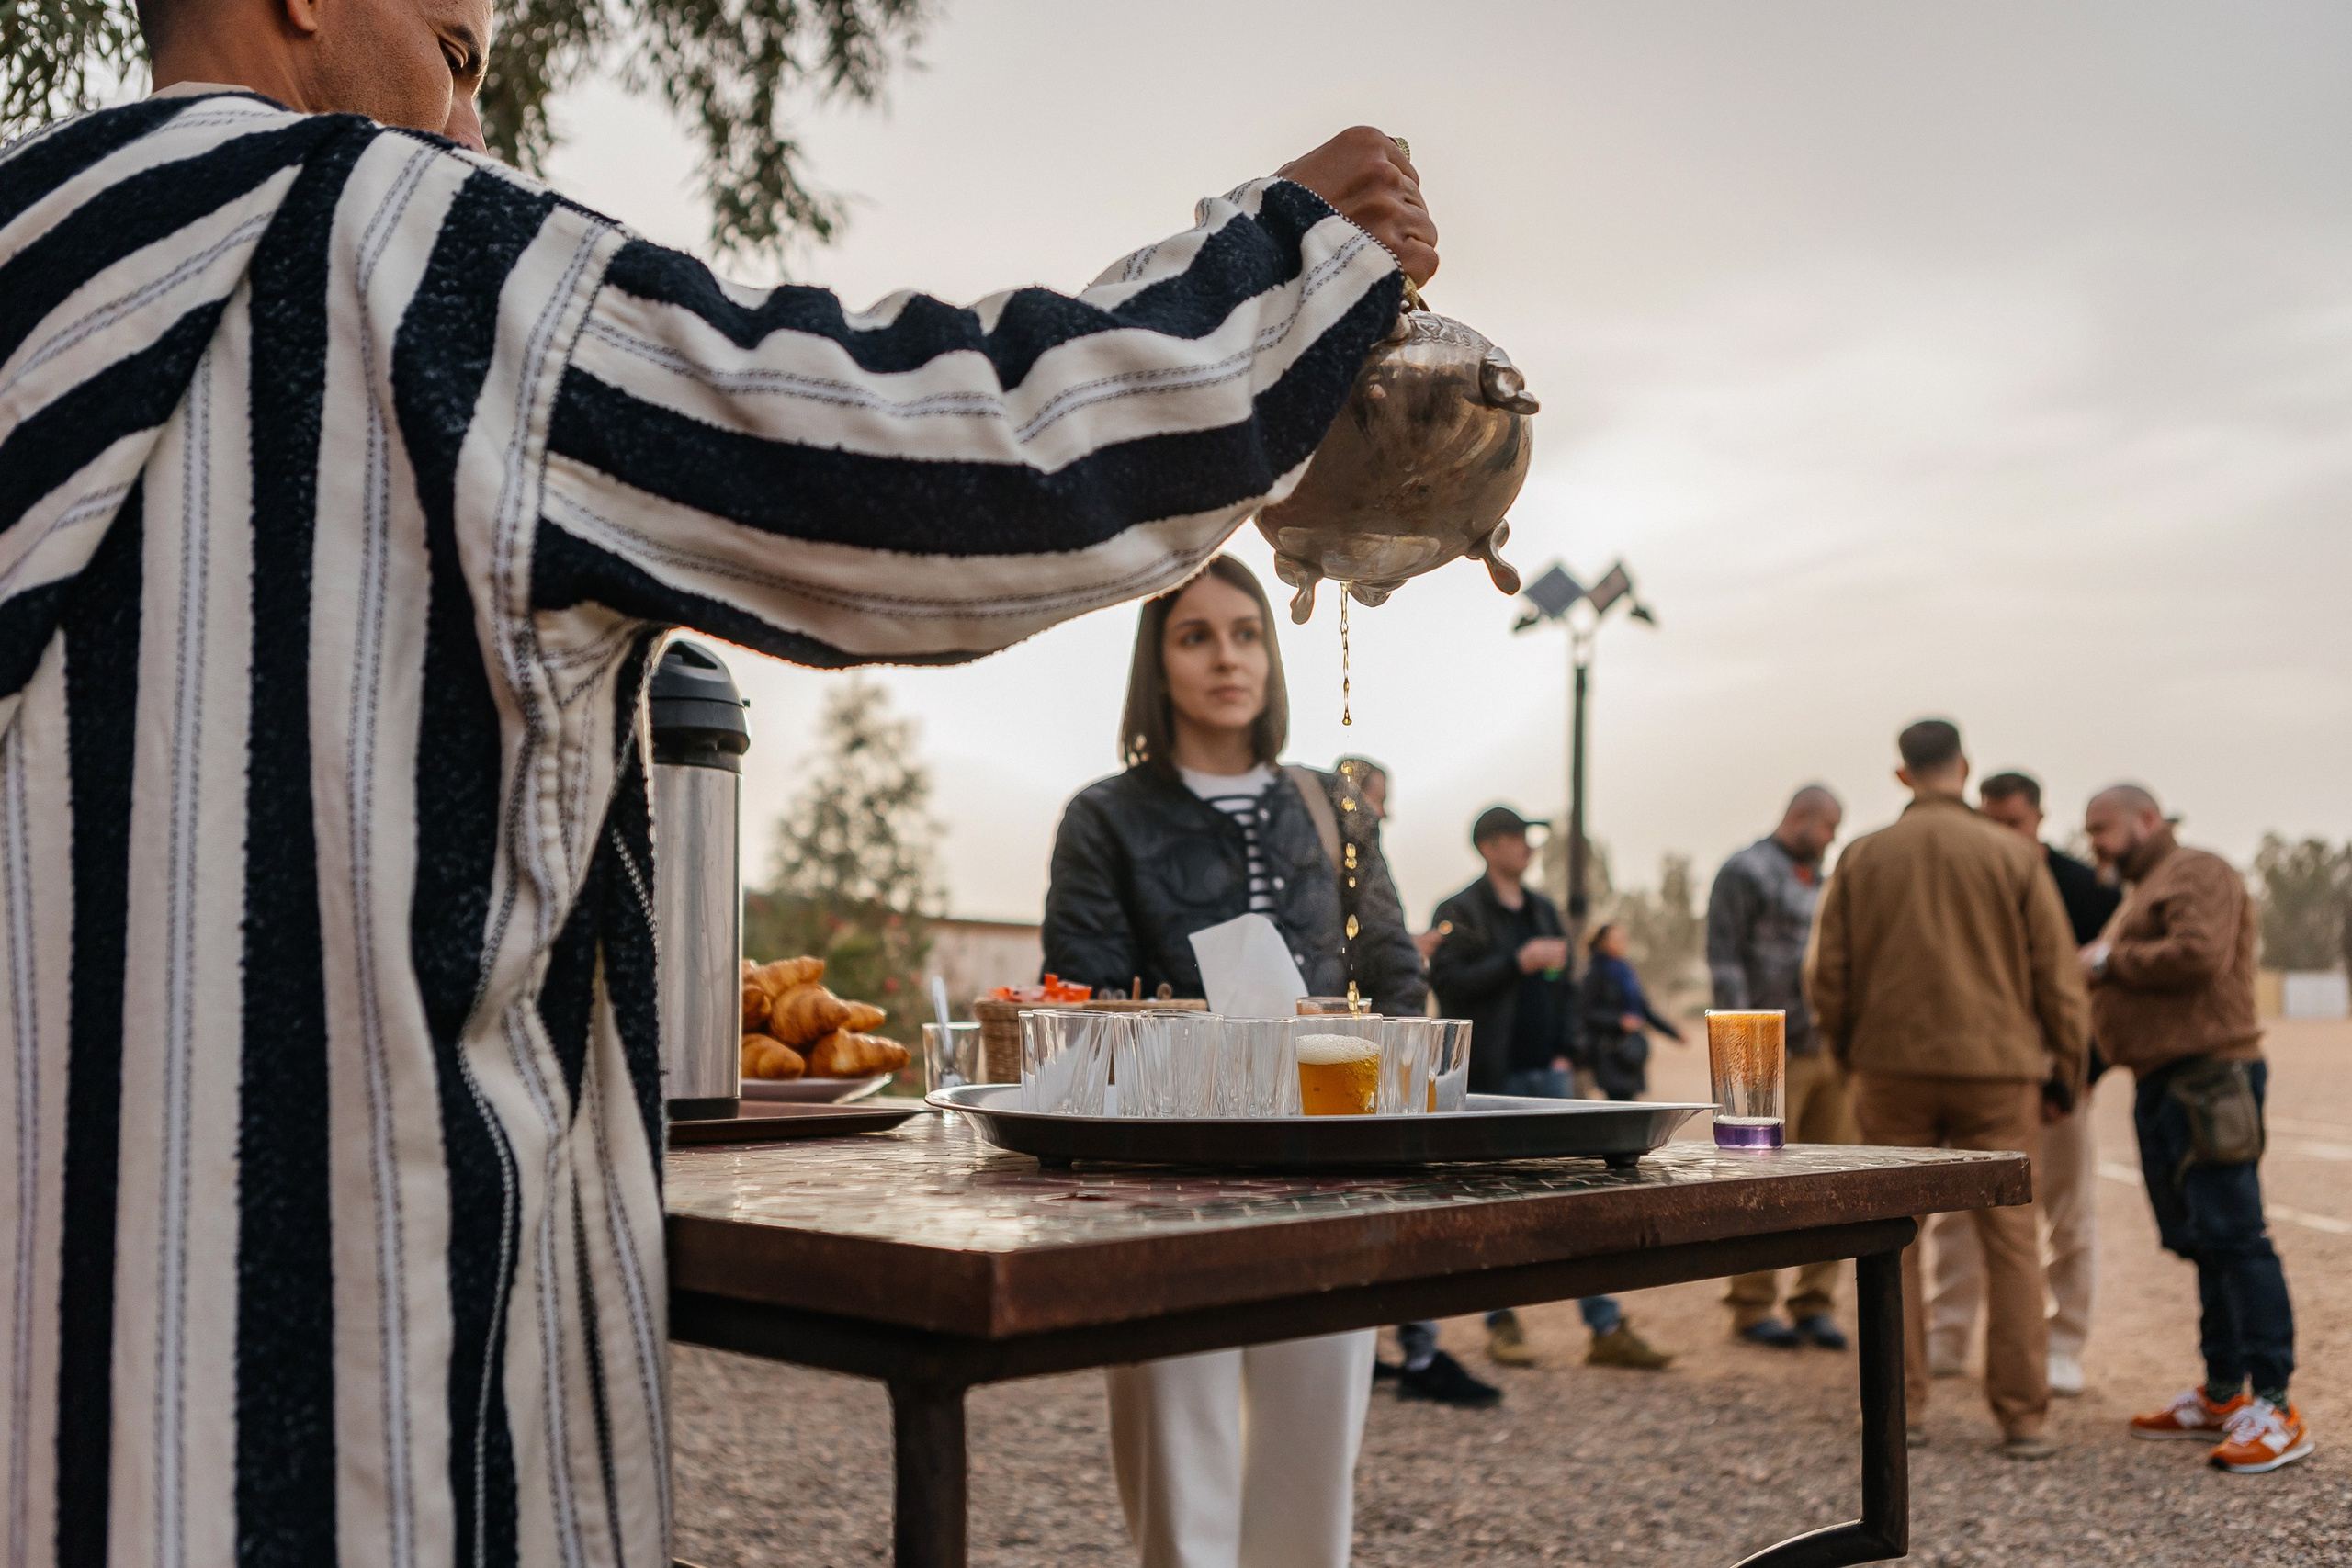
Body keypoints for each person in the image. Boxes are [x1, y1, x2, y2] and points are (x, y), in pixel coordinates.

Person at [0, 0, 1442, 1550]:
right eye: (459, 50)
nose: (473, 128)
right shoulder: (400, 249)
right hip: (352, 1451)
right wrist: (1288, 272)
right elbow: (920, 457)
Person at [1041, 556, 1427, 1567]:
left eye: (1246, 632)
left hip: (1327, 1175)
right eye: (1195, 634)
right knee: (1185, 1484)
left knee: (1312, 1482)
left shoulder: (1334, 805)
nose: (1227, 656)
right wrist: (1233, 1024)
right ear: (1155, 660)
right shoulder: (1103, 818)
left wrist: (1356, 1048)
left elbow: (1393, 977)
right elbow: (1082, 1003)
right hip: (1166, 1185)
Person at [1805, 720, 2086, 1461]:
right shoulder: (2011, 854)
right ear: (1963, 767)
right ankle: (2023, 1416)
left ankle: (1903, 1411)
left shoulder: (1863, 855)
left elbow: (1826, 974)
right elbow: (2058, 978)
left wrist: (1847, 1055)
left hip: (1891, 1065)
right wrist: (2068, 1070)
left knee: (1894, 1239)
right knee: (2012, 1240)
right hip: (1998, 1067)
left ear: (1902, 775)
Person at [2083, 785, 2311, 1475]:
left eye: (2104, 828)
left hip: (2210, 1077)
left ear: (2147, 820)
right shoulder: (2147, 886)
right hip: (2166, 1081)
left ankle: (2276, 1405)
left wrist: (2105, 961)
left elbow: (2199, 953)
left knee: (2238, 1236)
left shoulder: (2197, 869)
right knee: (2204, 1241)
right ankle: (2220, 1393)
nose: (2094, 841)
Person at [1427, 807, 1675, 1372]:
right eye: (1517, 839)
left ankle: (1606, 1327)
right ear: (1489, 846)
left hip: (1552, 1075)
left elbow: (1569, 986)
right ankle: (1503, 1322)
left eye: (1531, 840)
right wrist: (1517, 962)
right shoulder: (1458, 911)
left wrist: (1570, 1046)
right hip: (1492, 1080)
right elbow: (1449, 987)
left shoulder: (1543, 910)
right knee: (1498, 1205)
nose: (1529, 849)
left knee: (1577, 1200)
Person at [1927, 772, 2120, 1396]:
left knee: (2067, 1213)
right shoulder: (1969, 881)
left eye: (2012, 821)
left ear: (2038, 818)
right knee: (1958, 1213)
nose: (2001, 832)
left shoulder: (2085, 888)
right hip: (1981, 1076)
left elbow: (2107, 992)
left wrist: (2081, 1072)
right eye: (1991, 820)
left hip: (2059, 1079)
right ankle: (1949, 1335)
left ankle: (2064, 1344)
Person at [1708, 785, 1853, 1349]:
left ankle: (1814, 1302)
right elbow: (1725, 961)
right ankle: (1750, 1305)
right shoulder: (1744, 872)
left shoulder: (1823, 882)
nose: (1833, 838)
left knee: (1835, 1180)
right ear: (1801, 817)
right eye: (1828, 826)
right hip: (1766, 1053)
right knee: (1758, 1181)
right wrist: (1744, 1053)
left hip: (1827, 1050)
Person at [1578, 921, 1686, 1099]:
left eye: (1623, 938)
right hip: (1609, 1052)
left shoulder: (1626, 972)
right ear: (1602, 941)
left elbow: (1645, 1010)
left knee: (1629, 1103)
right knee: (1617, 1106)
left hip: (1631, 1052)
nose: (1622, 942)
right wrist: (1618, 1021)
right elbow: (1585, 1012)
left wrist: (1674, 1033)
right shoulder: (1595, 973)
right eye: (1616, 938)